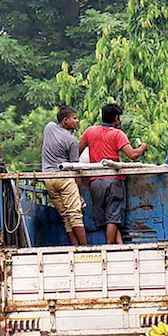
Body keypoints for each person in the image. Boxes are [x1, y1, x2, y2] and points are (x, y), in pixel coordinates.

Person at [79, 102, 148, 244]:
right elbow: (133, 155)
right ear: (116, 118)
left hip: (95, 181)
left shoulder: (90, 131)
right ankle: (110, 249)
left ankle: (119, 244)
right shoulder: (117, 134)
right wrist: (142, 148)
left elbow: (76, 151)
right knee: (113, 217)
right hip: (113, 180)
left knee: (105, 218)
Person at [41, 105, 88, 246]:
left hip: (48, 179)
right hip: (65, 179)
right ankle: (85, 248)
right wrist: (79, 192)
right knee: (75, 214)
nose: (77, 121)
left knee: (66, 216)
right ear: (65, 120)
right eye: (74, 118)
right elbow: (75, 168)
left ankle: (75, 246)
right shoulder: (72, 141)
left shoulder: (48, 128)